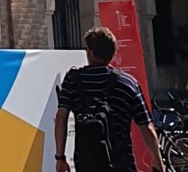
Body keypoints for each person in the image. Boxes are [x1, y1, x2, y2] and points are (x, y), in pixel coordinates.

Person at [56, 26, 161, 172]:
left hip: (86, 163)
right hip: (121, 163)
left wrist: (60, 158)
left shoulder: (72, 81)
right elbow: (146, 126)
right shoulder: (128, 83)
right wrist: (157, 161)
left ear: (91, 52)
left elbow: (61, 118)